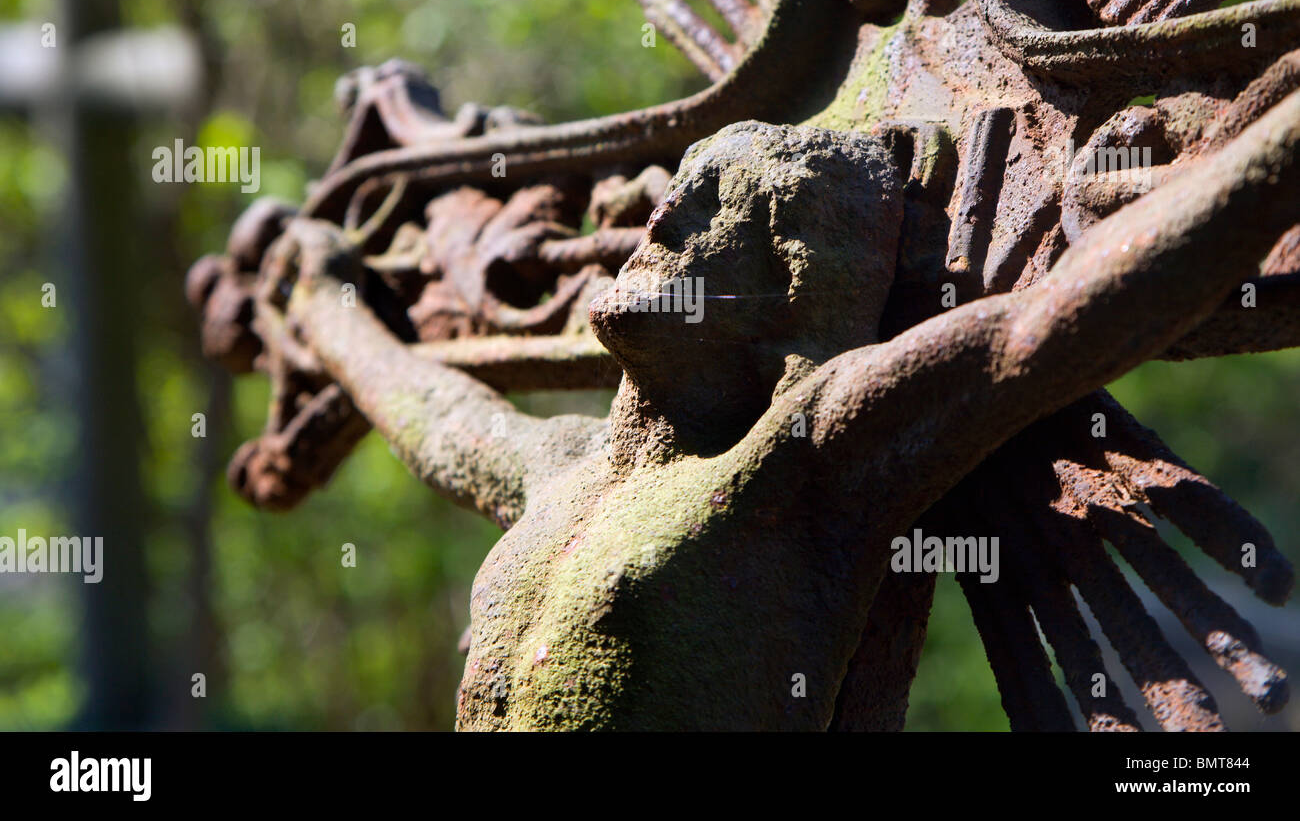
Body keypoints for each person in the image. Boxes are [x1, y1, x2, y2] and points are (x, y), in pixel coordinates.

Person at [276, 92, 1300, 729]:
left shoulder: (804, 462)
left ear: (781, 298)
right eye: (680, 189)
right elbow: (427, 408)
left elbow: (1046, 325)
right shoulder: (559, 464)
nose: (660, 214)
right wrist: (320, 300)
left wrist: (1273, 160)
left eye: (718, 204)